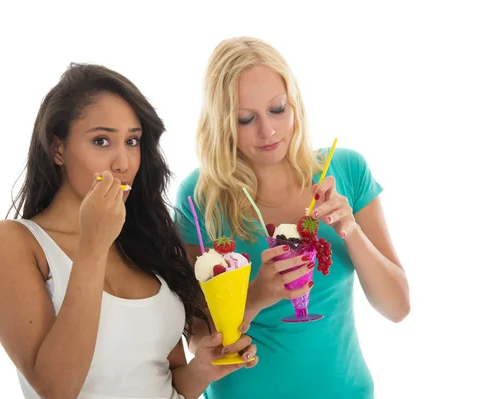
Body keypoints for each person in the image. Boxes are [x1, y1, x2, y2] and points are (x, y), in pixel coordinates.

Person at [0, 63, 257, 399]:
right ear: (58, 149)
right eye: (101, 140)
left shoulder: (145, 240)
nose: (123, 163)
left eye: (133, 141)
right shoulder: (13, 243)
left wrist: (202, 370)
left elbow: (165, 378)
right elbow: (56, 389)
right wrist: (93, 244)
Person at [175, 37, 410, 398]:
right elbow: (199, 338)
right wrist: (256, 296)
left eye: (278, 109)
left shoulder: (344, 169)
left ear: (295, 104)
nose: (267, 130)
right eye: (246, 119)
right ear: (222, 123)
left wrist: (349, 228)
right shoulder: (201, 196)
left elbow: (397, 307)